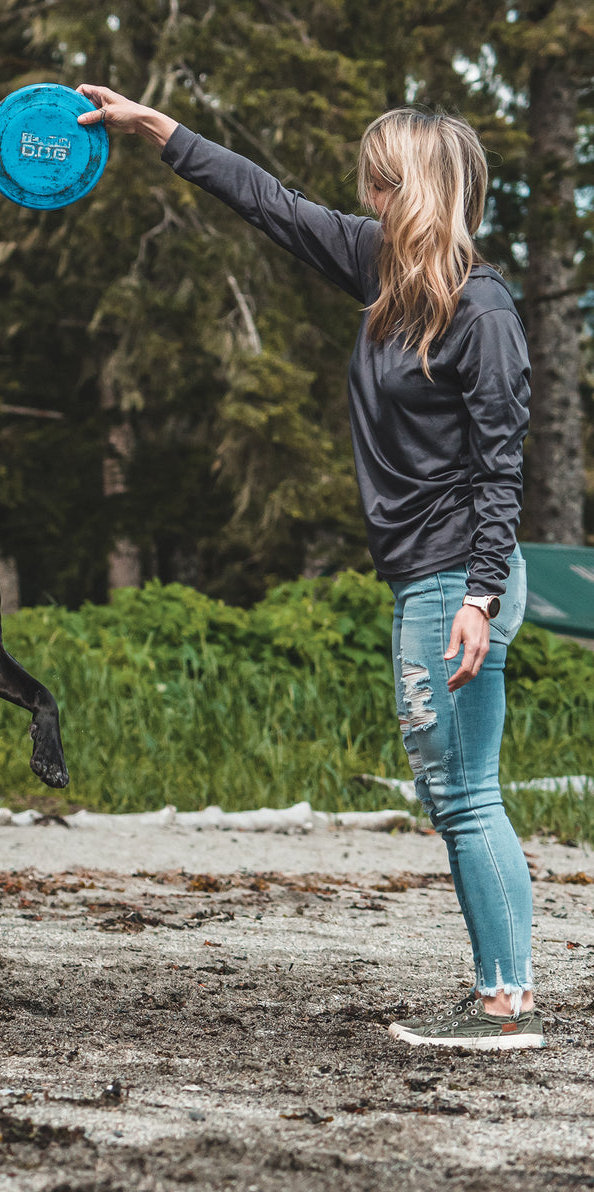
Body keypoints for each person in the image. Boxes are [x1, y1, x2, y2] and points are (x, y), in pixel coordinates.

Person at [76, 84, 541, 1050]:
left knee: (464, 792)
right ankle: (499, 990)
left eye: (378, 172)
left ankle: (505, 1002)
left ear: (409, 182)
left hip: (462, 575)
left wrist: (482, 597)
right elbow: (268, 202)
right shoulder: (385, 271)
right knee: (451, 790)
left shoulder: (482, 310)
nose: (363, 186)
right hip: (433, 574)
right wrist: (152, 126)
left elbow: (502, 467)